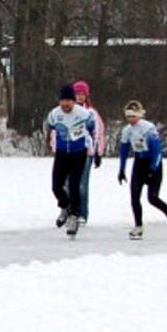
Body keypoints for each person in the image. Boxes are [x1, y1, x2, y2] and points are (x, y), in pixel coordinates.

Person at [118, 100, 167, 240]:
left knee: (152, 198)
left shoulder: (148, 129)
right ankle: (138, 226)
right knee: (134, 196)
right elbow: (123, 151)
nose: (131, 119)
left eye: (133, 116)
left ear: (140, 115)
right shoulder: (127, 130)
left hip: (152, 163)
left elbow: (157, 152)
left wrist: (153, 169)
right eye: (128, 116)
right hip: (139, 163)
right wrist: (121, 169)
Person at [47, 84, 96, 237]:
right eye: (63, 101)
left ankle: (74, 215)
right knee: (56, 186)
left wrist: (93, 149)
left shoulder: (83, 113)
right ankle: (65, 206)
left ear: (74, 102)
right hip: (62, 153)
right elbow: (50, 127)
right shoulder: (54, 114)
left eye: (69, 101)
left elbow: (92, 127)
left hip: (78, 153)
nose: (66, 104)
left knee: (74, 185)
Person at [64, 80, 106, 225]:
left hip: (85, 152)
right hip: (68, 152)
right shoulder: (66, 111)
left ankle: (82, 213)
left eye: (83, 94)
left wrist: (98, 153)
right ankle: (69, 211)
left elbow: (99, 133)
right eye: (77, 94)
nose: (80, 97)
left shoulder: (91, 113)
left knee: (81, 185)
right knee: (67, 184)